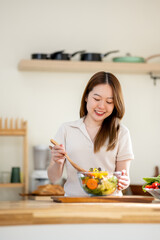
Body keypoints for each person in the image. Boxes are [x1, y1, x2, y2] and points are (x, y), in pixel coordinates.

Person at [47, 71, 134, 196]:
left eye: (109, 102)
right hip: (73, 205)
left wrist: (124, 181)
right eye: (97, 99)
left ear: (115, 104)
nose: (101, 106)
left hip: (110, 206)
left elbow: (124, 176)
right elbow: (53, 178)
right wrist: (57, 162)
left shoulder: (121, 132)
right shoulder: (67, 129)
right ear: (86, 96)